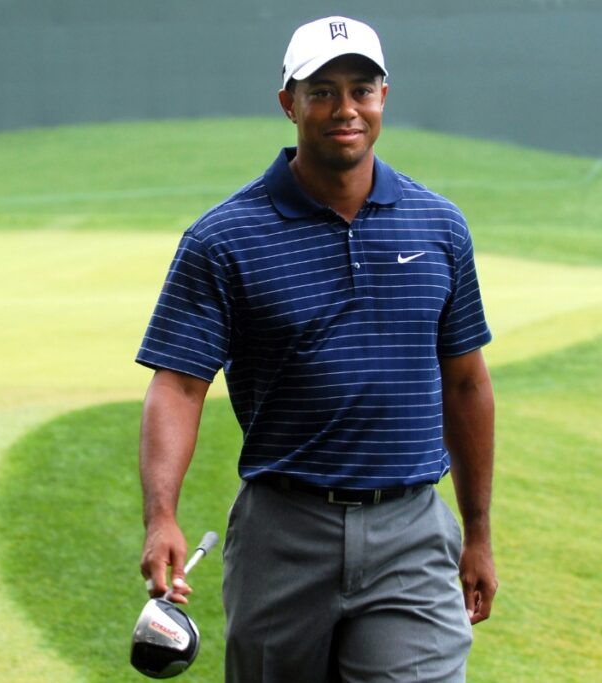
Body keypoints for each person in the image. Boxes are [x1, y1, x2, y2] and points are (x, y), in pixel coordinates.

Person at [136, 15, 497, 683]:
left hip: (412, 531)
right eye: (322, 91)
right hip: (283, 531)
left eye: (361, 89)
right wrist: (162, 516)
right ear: (288, 103)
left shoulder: (440, 225)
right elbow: (179, 385)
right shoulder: (224, 239)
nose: (345, 109)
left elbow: (468, 383)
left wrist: (477, 533)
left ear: (384, 97)